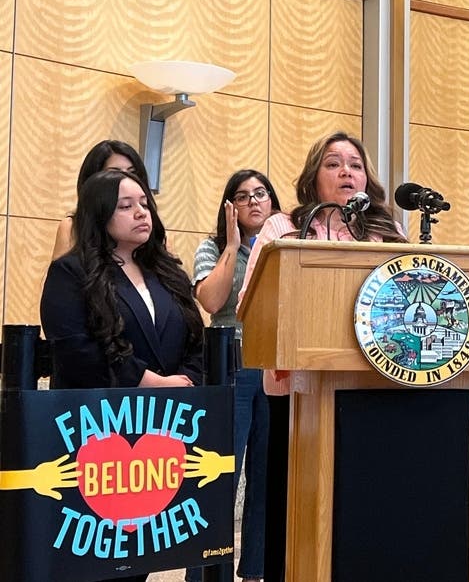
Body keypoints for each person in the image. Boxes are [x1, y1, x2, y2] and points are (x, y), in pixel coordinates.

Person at [237, 132, 406, 581]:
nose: (346, 171)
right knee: (294, 504)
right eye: (333, 163)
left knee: (364, 503)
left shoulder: (387, 231)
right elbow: (254, 303)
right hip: (298, 391)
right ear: (314, 177)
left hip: (375, 387)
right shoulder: (283, 227)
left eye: (355, 164)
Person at [40, 169, 203, 582]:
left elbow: (195, 340)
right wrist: (148, 381)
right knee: (98, 553)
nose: (140, 213)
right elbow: (75, 349)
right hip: (99, 434)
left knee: (141, 551)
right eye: (126, 206)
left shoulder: (166, 271)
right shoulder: (71, 272)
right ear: (100, 214)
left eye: (144, 204)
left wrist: (184, 380)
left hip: (164, 432)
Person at [189, 170, 282, 582]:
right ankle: (208, 572)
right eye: (242, 197)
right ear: (230, 207)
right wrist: (231, 245)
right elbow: (211, 300)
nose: (253, 202)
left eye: (260, 194)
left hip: (278, 367)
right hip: (232, 365)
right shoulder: (211, 248)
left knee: (268, 474)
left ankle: (258, 568)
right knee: (220, 473)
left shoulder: (285, 248)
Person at [52, 140, 150, 260]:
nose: (126, 179)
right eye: (115, 173)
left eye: (133, 173)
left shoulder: (155, 233)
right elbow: (57, 274)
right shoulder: (72, 228)